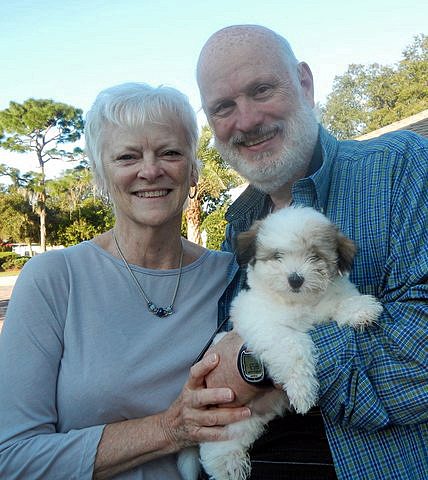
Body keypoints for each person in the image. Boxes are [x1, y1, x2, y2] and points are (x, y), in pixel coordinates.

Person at [196, 25, 428, 480]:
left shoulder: (403, 166)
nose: (245, 121)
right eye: (223, 107)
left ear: (304, 82)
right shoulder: (239, 222)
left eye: (261, 89)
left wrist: (259, 366)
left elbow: (419, 360)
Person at [0, 82, 251, 479]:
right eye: (127, 156)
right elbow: (11, 457)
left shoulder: (233, 277)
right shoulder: (54, 279)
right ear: (101, 174)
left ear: (193, 169)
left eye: (169, 152)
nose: (150, 170)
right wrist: (169, 430)